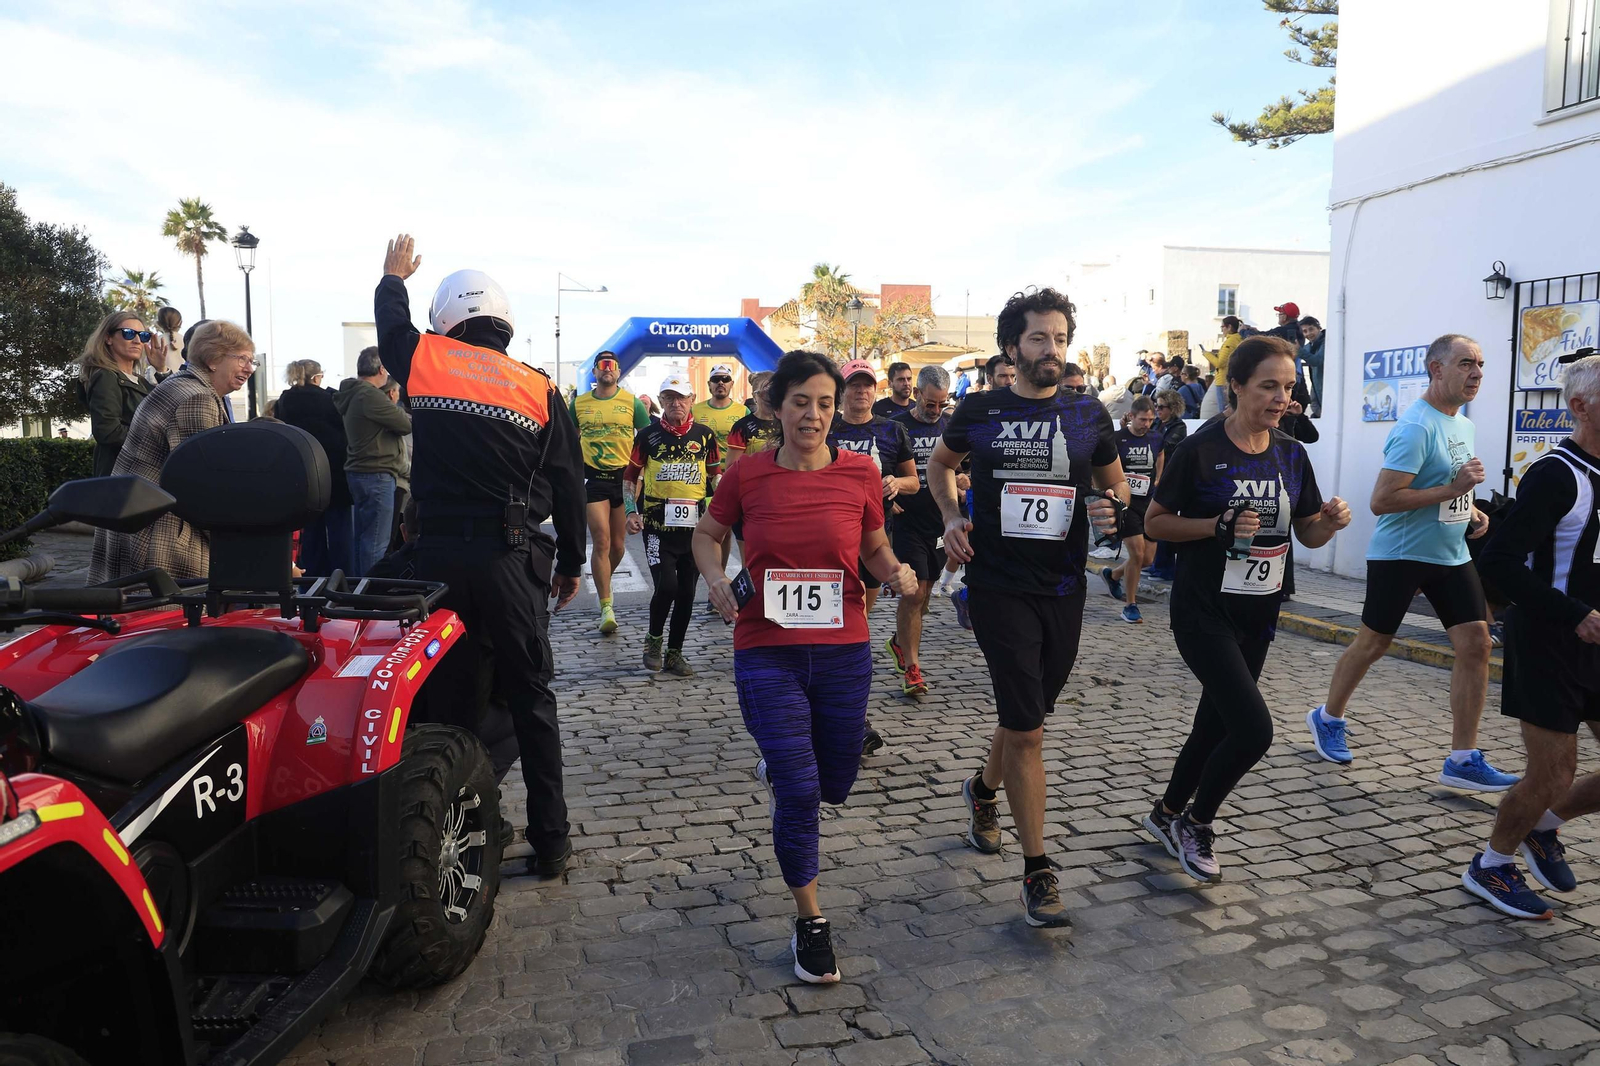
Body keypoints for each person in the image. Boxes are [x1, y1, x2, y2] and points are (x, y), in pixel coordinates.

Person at [693, 350, 915, 983]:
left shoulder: (861, 476)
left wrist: (894, 572)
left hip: (844, 647)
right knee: (797, 789)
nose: (814, 416)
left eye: (824, 403)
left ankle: (786, 764)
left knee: (835, 779)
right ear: (775, 407)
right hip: (766, 647)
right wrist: (714, 578)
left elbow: (872, 546)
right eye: (800, 403)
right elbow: (707, 535)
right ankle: (810, 917)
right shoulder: (747, 476)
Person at [374, 234, 586, 879]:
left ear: (447, 321)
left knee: (445, 699)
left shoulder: (427, 360)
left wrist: (392, 278)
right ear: (506, 324)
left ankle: (456, 819)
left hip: (435, 559)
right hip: (511, 559)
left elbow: (390, 332)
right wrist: (573, 562)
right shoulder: (538, 389)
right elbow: (571, 482)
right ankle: (551, 839)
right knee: (531, 697)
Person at [932, 288, 1126, 927]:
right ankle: (1037, 871)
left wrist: (1113, 509)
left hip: (1065, 587)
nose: (1052, 350)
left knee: (1027, 717)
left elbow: (1115, 483)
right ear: (1012, 348)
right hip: (997, 585)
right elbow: (940, 465)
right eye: (1039, 338)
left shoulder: (1087, 414)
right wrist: (952, 516)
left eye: (1061, 338)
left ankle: (982, 792)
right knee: (1030, 727)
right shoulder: (982, 410)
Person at [1141, 336, 1351, 882]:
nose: (1281, 398)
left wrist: (1327, 522)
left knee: (1213, 725)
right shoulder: (1201, 450)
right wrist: (1216, 527)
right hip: (1203, 610)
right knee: (1254, 729)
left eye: (1287, 387)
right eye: (1268, 387)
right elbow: (1155, 524)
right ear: (1235, 386)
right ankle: (1197, 821)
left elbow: (1305, 533)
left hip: (1258, 611)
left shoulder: (1290, 453)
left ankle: (1165, 814)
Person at [1306, 334, 1518, 789]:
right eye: (1465, 363)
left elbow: (1450, 483)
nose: (1477, 372)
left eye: (1480, 364)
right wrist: (1455, 490)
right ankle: (1328, 716)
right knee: (1373, 643)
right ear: (1436, 369)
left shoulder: (1461, 423)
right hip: (1401, 554)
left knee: (1477, 644)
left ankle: (1462, 758)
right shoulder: (1416, 426)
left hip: (1449, 554)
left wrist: (1472, 509)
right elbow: (1382, 501)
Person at [1460, 354, 1600, 918]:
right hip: (1549, 640)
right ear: (1580, 405)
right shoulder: (1555, 474)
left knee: (1556, 787)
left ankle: (1544, 826)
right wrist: (1573, 613)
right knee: (1552, 772)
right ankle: (1491, 867)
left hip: (1596, 643)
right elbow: (1499, 562)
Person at [87, 321, 254, 583]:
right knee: (162, 621)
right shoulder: (196, 398)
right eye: (242, 359)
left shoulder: (186, 386)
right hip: (159, 536)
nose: (249, 368)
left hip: (140, 521)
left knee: (130, 619)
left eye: (251, 361)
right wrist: (256, 549)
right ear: (213, 358)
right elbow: (202, 488)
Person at [828, 359, 918, 756]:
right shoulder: (828, 429)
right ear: (842, 391)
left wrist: (896, 483)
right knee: (842, 629)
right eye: (853, 386)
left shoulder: (891, 430)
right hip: (828, 541)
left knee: (856, 625)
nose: (861, 392)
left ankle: (846, 713)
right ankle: (847, 716)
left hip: (872, 542)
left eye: (866, 385)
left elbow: (915, 480)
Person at [625, 373, 720, 676]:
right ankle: (654, 639)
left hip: (696, 531)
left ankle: (675, 653)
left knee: (688, 594)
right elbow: (629, 478)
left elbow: (715, 477)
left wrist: (724, 509)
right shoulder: (648, 436)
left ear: (692, 400)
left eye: (681, 398)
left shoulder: (705, 436)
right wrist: (631, 511)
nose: (675, 403)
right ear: (661, 401)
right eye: (669, 398)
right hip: (657, 527)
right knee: (667, 586)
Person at [887, 366, 959, 698]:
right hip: (908, 521)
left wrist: (963, 479)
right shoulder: (898, 427)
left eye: (941, 404)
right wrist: (890, 499)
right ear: (917, 394)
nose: (935, 410)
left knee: (925, 596)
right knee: (913, 593)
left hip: (941, 521)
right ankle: (912, 669)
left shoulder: (951, 426)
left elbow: (964, 466)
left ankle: (900, 643)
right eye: (930, 403)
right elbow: (882, 468)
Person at [570, 352, 651, 634]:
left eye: (612, 366)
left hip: (624, 478)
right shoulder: (579, 403)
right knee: (601, 540)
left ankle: (604, 582)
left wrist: (644, 476)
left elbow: (649, 438)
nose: (607, 370)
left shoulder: (631, 403)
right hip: (592, 478)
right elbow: (567, 441)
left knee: (618, 546)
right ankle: (606, 606)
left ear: (618, 372)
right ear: (594, 372)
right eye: (602, 366)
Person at [336, 347, 412, 576]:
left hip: (360, 472)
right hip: (377, 473)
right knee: (376, 542)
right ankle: (371, 596)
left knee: (363, 538)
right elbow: (405, 424)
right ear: (381, 369)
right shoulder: (369, 395)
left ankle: (360, 590)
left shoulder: (353, 393)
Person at [276, 358, 353, 577]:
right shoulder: (329, 399)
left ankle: (311, 576)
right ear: (317, 376)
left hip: (303, 471)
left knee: (311, 531)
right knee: (340, 532)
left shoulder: (285, 400)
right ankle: (342, 577)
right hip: (335, 471)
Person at [1101, 396, 1163, 623]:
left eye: (1150, 420)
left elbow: (1160, 455)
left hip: (1149, 502)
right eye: (1142, 419)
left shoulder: (1156, 437)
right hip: (1127, 503)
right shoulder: (1119, 438)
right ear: (1132, 417)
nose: (1146, 424)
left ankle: (1113, 574)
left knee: (1147, 559)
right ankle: (1131, 605)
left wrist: (1159, 478)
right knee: (1136, 554)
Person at [75, 310, 154, 478]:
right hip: (121, 475)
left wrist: (161, 369)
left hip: (144, 474)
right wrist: (154, 440)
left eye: (144, 335)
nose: (137, 341)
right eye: (128, 333)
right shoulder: (105, 376)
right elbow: (108, 431)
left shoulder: (141, 381)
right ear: (108, 338)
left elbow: (169, 407)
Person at [693, 363, 746, 586]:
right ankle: (713, 579)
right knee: (711, 530)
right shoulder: (696, 410)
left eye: (725, 379)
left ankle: (721, 576)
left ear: (732, 384)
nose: (721, 383)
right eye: (716, 380)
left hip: (732, 477)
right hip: (703, 478)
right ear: (709, 385)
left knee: (727, 533)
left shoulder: (743, 412)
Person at [1202, 316, 1243, 418]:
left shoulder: (1230, 342)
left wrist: (1206, 354)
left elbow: (1220, 363)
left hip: (1223, 380)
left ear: (1229, 327)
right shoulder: (1237, 339)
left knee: (1225, 411)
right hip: (1229, 378)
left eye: (1222, 327)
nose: (1222, 330)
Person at [1300, 316, 1325, 418]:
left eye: (1311, 329)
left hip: (1326, 387)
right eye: (1305, 331)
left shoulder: (1326, 342)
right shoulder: (1308, 346)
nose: (1308, 334)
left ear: (1318, 328)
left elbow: (1316, 361)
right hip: (1315, 387)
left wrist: (1298, 351)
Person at [153, 306, 184, 378]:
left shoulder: (156, 341)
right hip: (185, 383)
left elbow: (149, 362)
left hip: (162, 382)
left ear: (158, 323)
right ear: (181, 323)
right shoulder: (186, 340)